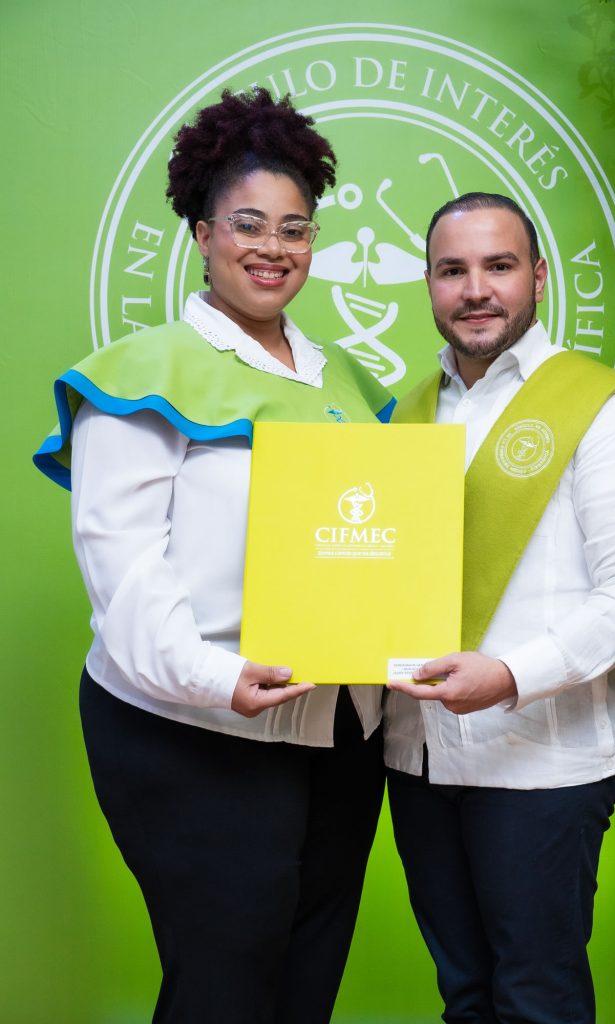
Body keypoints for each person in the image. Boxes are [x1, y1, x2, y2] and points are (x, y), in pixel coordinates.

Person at [34, 89, 394, 1024]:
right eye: (248, 223)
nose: (274, 247)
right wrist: (212, 677)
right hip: (193, 726)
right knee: (224, 986)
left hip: (340, 729)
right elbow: (122, 568)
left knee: (309, 977)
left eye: (295, 229)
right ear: (201, 233)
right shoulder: (139, 375)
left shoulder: (350, 382)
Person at [384, 192, 615, 1024]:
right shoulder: (406, 412)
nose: (475, 289)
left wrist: (510, 674)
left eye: (499, 266)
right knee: (465, 998)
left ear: (539, 277)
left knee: (536, 1000)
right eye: (452, 270)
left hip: (543, 761)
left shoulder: (604, 408)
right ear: (430, 283)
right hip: (418, 758)